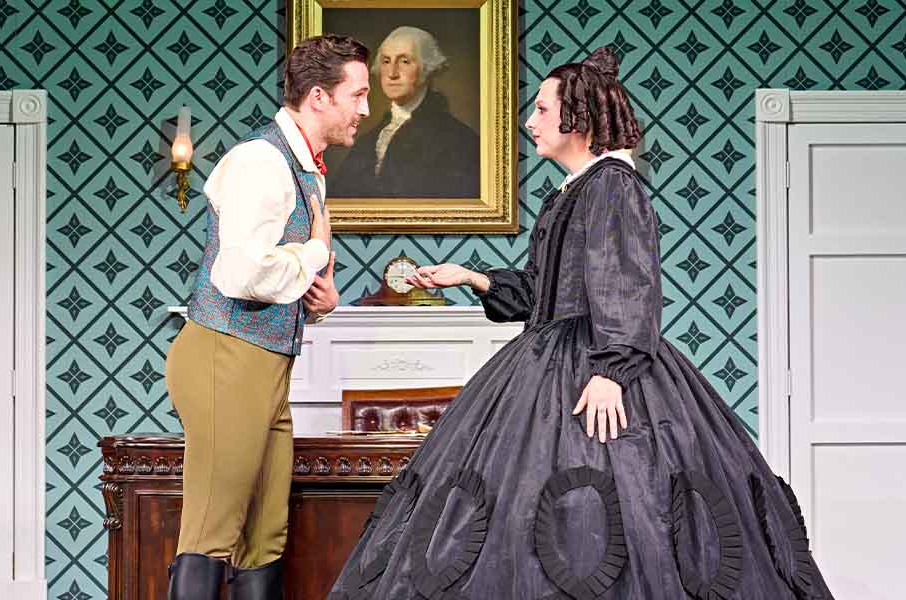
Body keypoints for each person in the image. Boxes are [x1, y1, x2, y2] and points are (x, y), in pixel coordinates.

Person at [328, 47, 836, 599]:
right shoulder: (578, 189)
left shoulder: (613, 184)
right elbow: (541, 292)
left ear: (579, 118)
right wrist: (470, 277)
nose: (529, 122)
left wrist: (612, 371)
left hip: (596, 364)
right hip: (553, 354)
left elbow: (627, 285)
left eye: (542, 110)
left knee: (621, 508)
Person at [163, 34, 370, 600]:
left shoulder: (308, 168)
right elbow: (239, 274)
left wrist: (318, 299)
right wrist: (314, 253)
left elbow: (278, 273)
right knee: (211, 531)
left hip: (265, 361)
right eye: (358, 94)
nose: (365, 109)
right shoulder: (261, 160)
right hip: (224, 356)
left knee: (264, 536)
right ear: (320, 96)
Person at [331, 26, 479, 198]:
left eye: (404, 61)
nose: (392, 73)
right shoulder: (368, 140)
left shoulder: (459, 140)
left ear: (427, 68)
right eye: (386, 61)